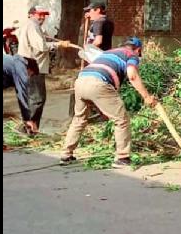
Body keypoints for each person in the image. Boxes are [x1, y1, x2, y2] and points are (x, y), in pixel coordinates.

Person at [60, 36, 158, 168]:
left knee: (79, 119)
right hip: (99, 82)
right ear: (138, 49)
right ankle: (123, 158)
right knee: (121, 120)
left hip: (81, 80)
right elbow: (132, 75)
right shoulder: (131, 55)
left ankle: (66, 154)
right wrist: (146, 97)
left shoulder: (108, 53)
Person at [17, 5, 65, 133]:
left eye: (44, 15)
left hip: (29, 66)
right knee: (38, 99)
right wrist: (57, 44)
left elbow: (41, 40)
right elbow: (41, 46)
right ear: (32, 14)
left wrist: (50, 39)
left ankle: (29, 127)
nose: (42, 17)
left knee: (33, 98)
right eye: (40, 14)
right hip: (34, 67)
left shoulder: (30, 26)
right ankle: (28, 128)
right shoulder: (33, 26)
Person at [3, 54, 41, 135]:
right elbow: (22, 94)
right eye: (31, 74)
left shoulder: (14, 62)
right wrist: (27, 119)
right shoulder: (21, 68)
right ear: (30, 69)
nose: (29, 77)